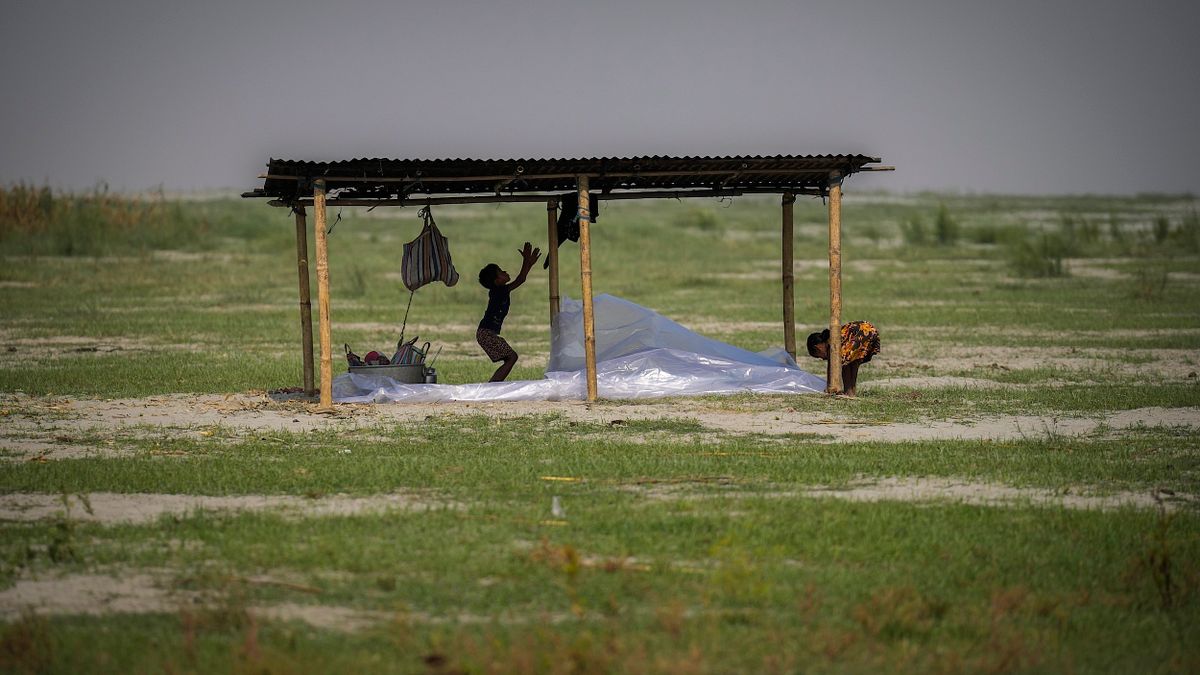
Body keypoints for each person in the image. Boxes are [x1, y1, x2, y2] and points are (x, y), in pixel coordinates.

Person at [476, 242, 541, 382]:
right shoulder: (499, 291)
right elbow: (521, 279)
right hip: (486, 334)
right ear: (496, 281)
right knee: (512, 357)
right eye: (501, 272)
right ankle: (493, 386)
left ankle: (493, 385)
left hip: (485, 333)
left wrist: (528, 263)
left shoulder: (499, 290)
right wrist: (526, 262)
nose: (505, 272)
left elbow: (521, 279)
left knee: (510, 358)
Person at [806, 321, 880, 397]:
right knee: (854, 364)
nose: (822, 358)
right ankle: (851, 392)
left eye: (818, 356)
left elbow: (831, 368)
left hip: (860, 332)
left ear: (818, 347)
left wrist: (829, 387)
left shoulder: (832, 343)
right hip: (870, 330)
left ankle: (848, 392)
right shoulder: (832, 341)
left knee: (845, 365)